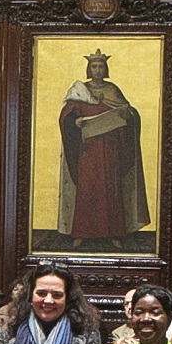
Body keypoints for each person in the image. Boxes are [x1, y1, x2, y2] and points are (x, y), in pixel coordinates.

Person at [56, 50, 150, 245]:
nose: (97, 70)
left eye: (100, 66)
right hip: (87, 149)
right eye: (94, 66)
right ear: (89, 69)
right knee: (87, 188)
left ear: (105, 69)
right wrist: (76, 122)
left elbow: (130, 113)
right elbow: (66, 117)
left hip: (109, 149)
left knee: (110, 188)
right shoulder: (79, 90)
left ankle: (114, 233)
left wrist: (127, 116)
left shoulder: (113, 90)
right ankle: (81, 233)